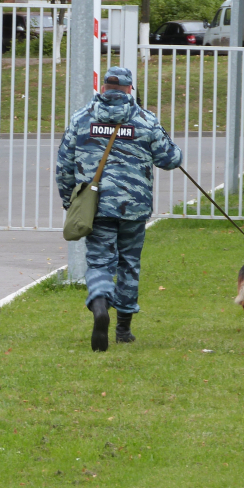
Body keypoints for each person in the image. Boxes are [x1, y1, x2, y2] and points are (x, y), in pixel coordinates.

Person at [56, 66, 183, 352]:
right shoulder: (145, 119)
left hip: (96, 206)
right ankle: (123, 329)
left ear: (104, 88)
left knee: (100, 261)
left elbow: (63, 165)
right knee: (129, 263)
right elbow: (170, 159)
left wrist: (70, 202)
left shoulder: (81, 118)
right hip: (134, 208)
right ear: (128, 89)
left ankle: (100, 304)